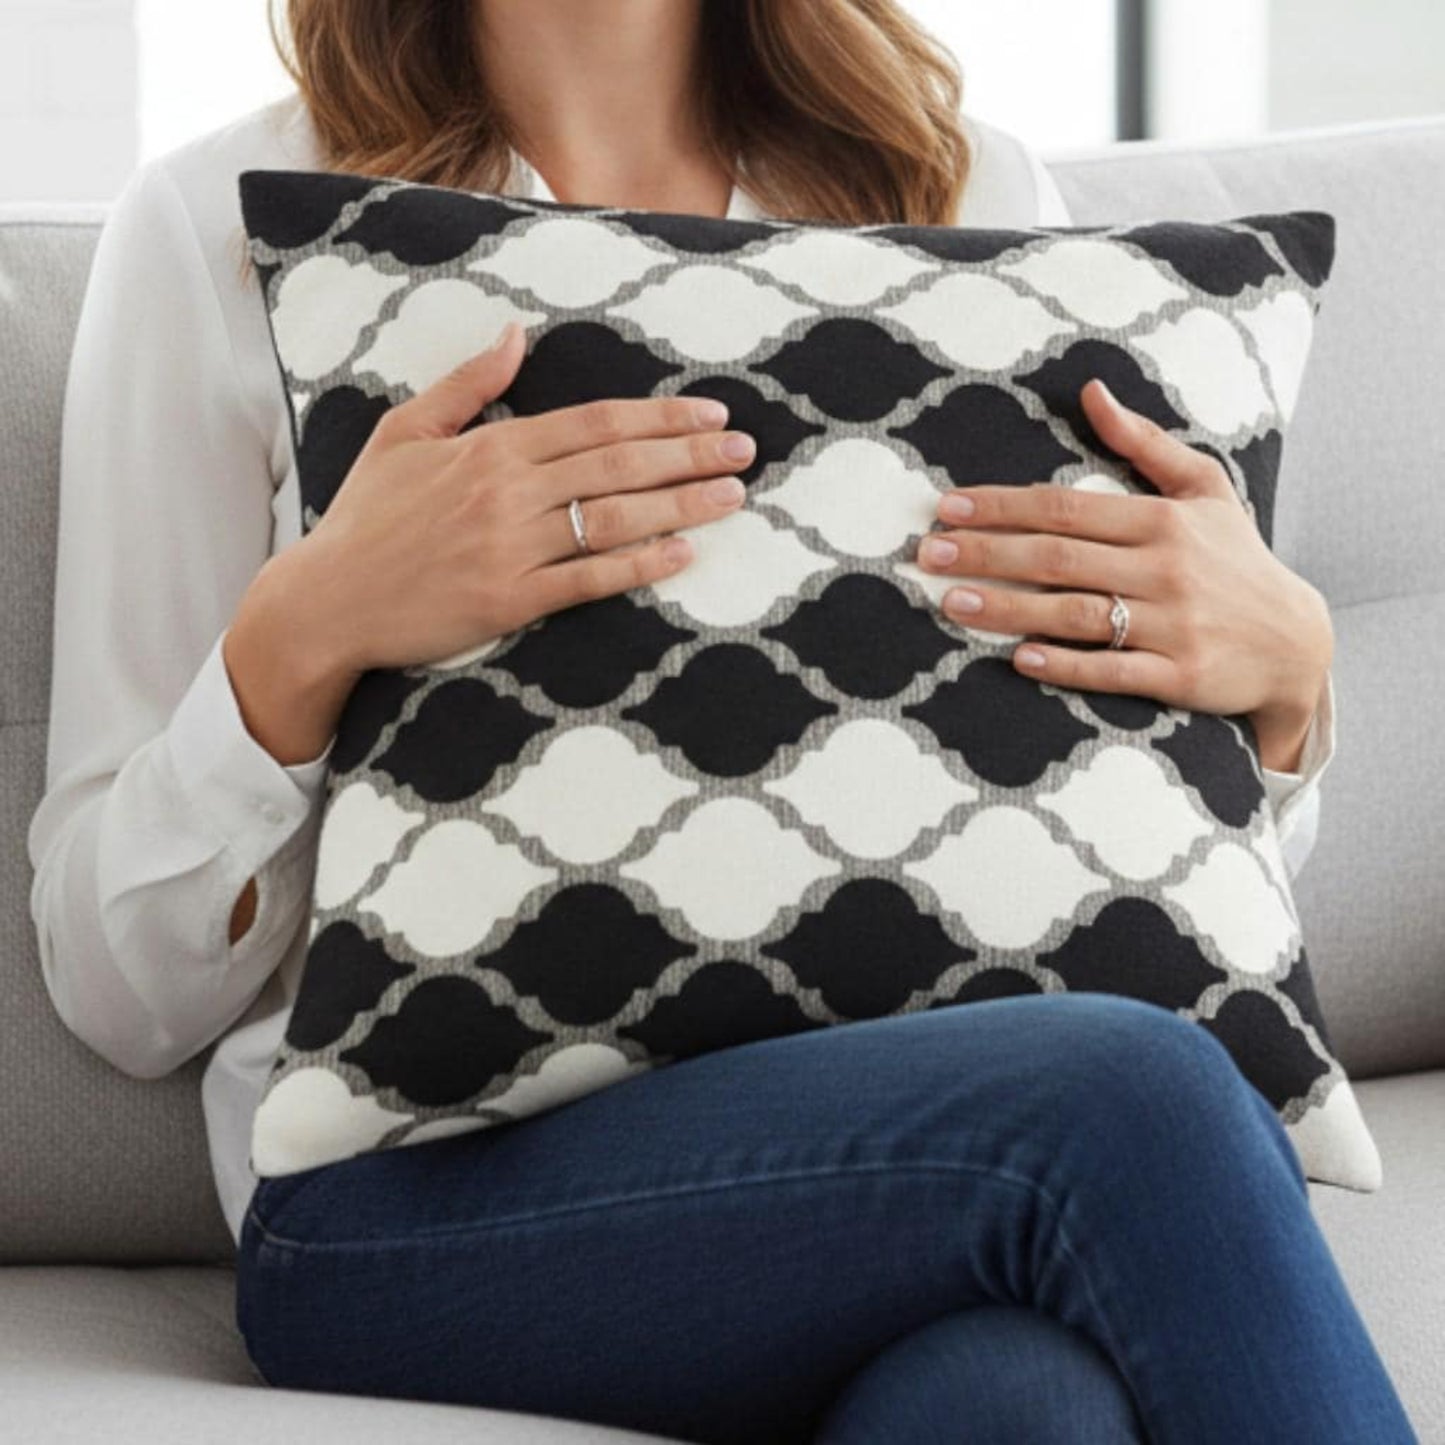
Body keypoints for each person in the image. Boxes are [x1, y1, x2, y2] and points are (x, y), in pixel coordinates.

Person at [26, 1, 1414, 1442]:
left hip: (892, 1164)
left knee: (1022, 1407)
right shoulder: (221, 232)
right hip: (416, 1207)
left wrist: (1282, 681)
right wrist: (308, 629)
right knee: (1142, 1102)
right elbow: (114, 987)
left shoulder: (964, 197)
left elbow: (1134, 881)